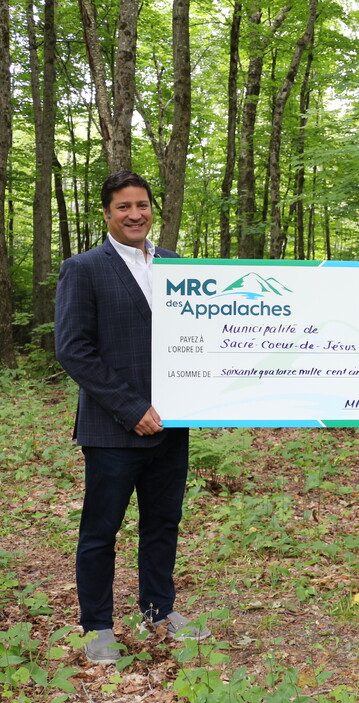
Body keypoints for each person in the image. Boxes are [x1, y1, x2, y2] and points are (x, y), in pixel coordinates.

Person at [55, 171, 209, 665]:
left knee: (163, 523)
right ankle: (97, 625)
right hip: (113, 429)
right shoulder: (84, 269)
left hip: (172, 424)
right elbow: (74, 350)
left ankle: (158, 610)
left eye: (142, 205)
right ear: (107, 213)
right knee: (100, 531)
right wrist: (130, 408)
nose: (135, 214)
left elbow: (201, 340)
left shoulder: (175, 265)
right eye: (123, 206)